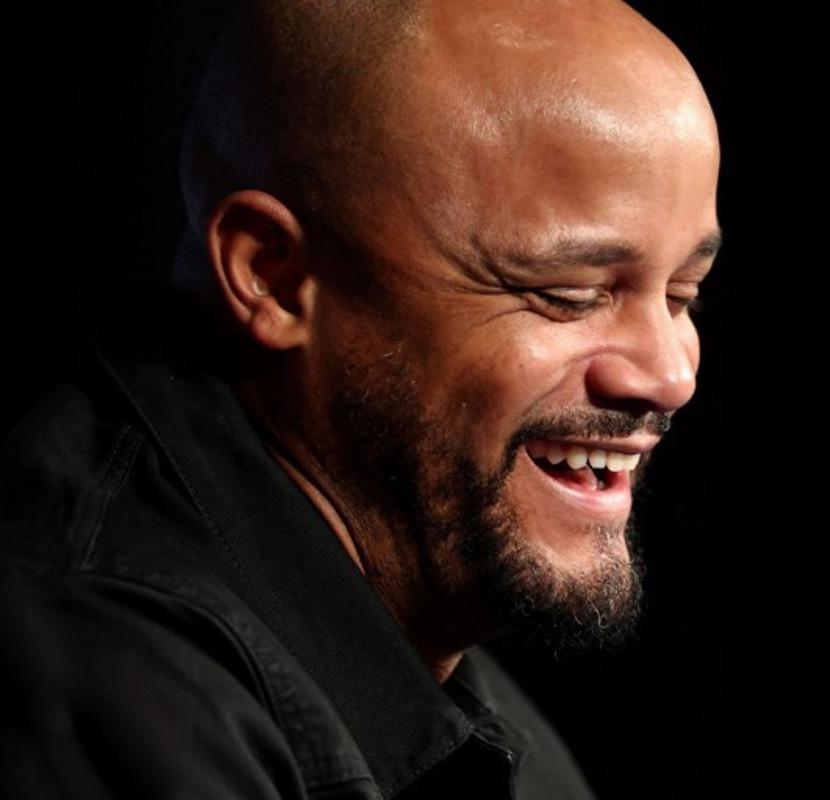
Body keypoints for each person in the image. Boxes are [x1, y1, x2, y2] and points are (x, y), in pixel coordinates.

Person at [0, 0, 721, 796]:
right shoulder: (100, 674)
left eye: (684, 294)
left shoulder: (461, 703)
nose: (669, 377)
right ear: (274, 277)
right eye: (569, 293)